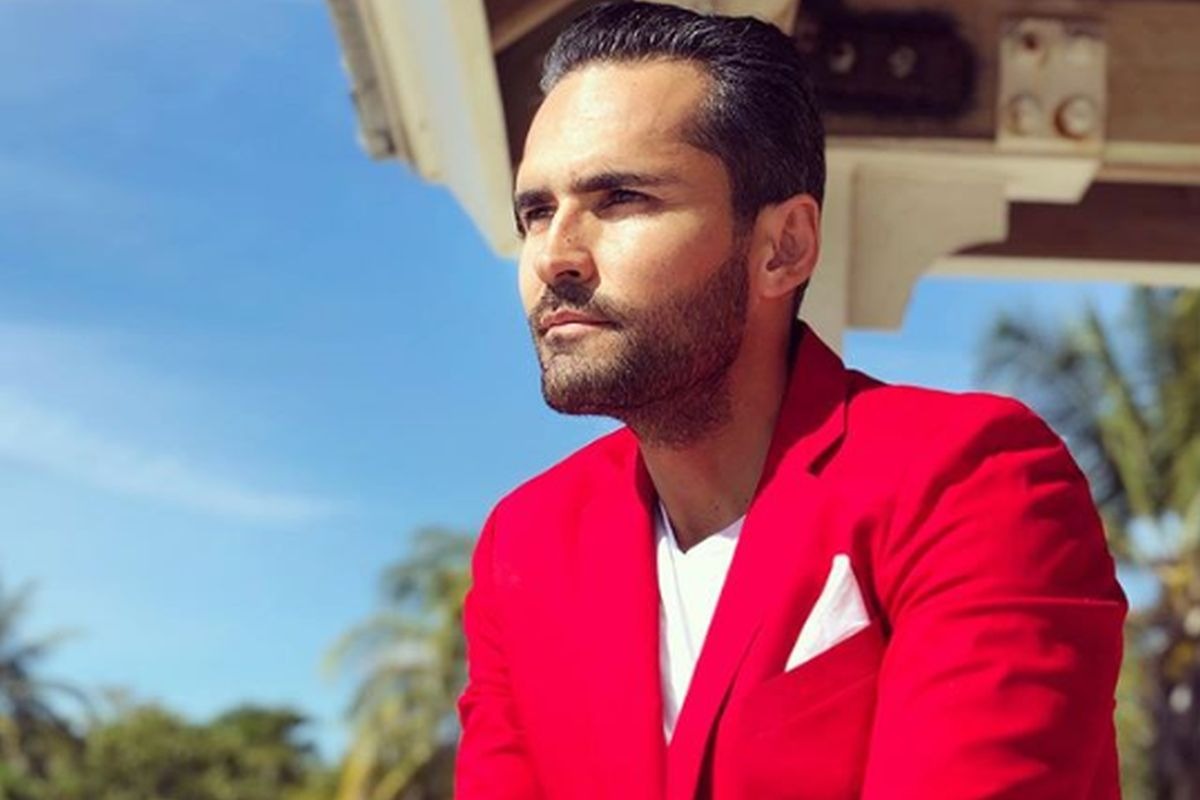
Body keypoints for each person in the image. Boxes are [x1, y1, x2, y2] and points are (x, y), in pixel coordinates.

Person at [455, 3, 1127, 799]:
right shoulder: (526, 546)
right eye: (536, 212)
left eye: (623, 199)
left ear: (785, 246)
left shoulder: (967, 479)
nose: (555, 256)